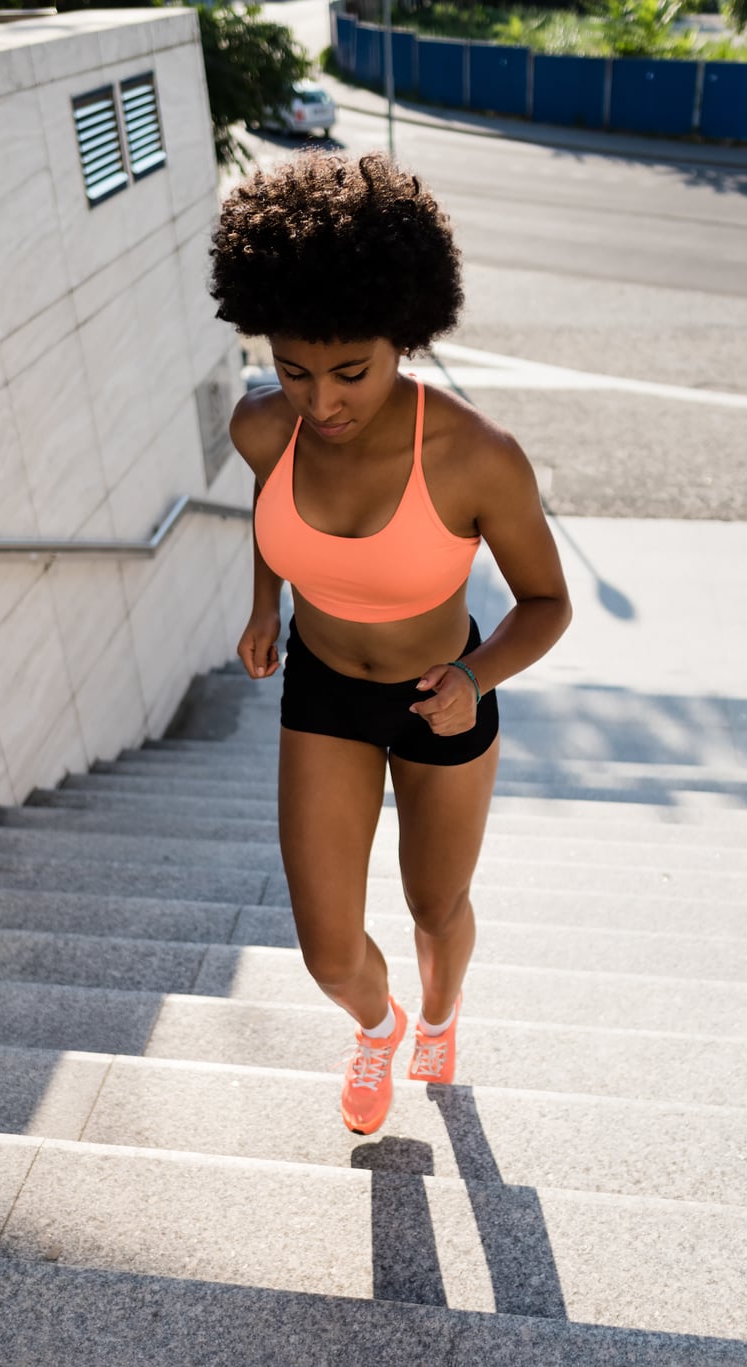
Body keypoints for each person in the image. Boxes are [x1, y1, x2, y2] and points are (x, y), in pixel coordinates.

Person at [207, 150, 573, 1136]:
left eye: (349, 372)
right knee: (328, 950)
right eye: (292, 368)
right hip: (323, 689)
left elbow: (546, 601)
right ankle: (378, 1025)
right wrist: (261, 603)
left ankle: (441, 1015)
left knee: (430, 904)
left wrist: (472, 673)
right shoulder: (260, 430)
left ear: (399, 335)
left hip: (439, 697)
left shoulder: (474, 456)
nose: (319, 403)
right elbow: (269, 514)